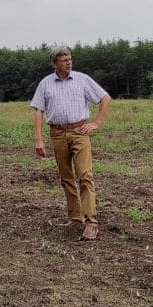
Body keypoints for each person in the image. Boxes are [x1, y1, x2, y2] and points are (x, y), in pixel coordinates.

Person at [30, 46, 111, 241]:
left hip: (79, 132)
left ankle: (91, 223)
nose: (68, 62)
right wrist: (39, 139)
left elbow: (104, 98)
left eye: (70, 59)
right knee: (66, 178)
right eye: (64, 60)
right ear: (54, 63)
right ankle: (76, 219)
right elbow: (39, 110)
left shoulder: (82, 79)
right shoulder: (46, 84)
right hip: (57, 134)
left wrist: (96, 123)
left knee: (85, 175)